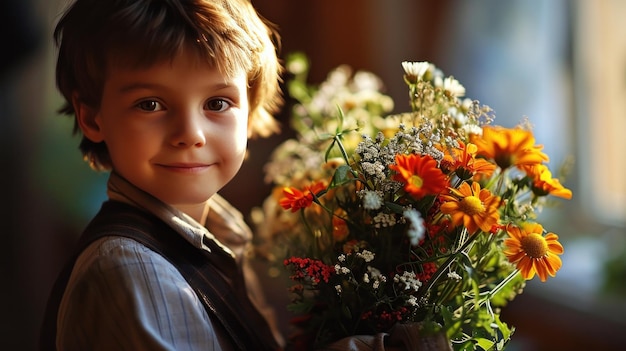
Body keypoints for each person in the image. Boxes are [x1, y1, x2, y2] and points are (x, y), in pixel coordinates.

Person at [39, 0, 284, 350]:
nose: (190, 133)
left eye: (217, 103)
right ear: (93, 118)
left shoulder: (222, 236)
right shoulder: (132, 270)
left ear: (249, 111)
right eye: (150, 104)